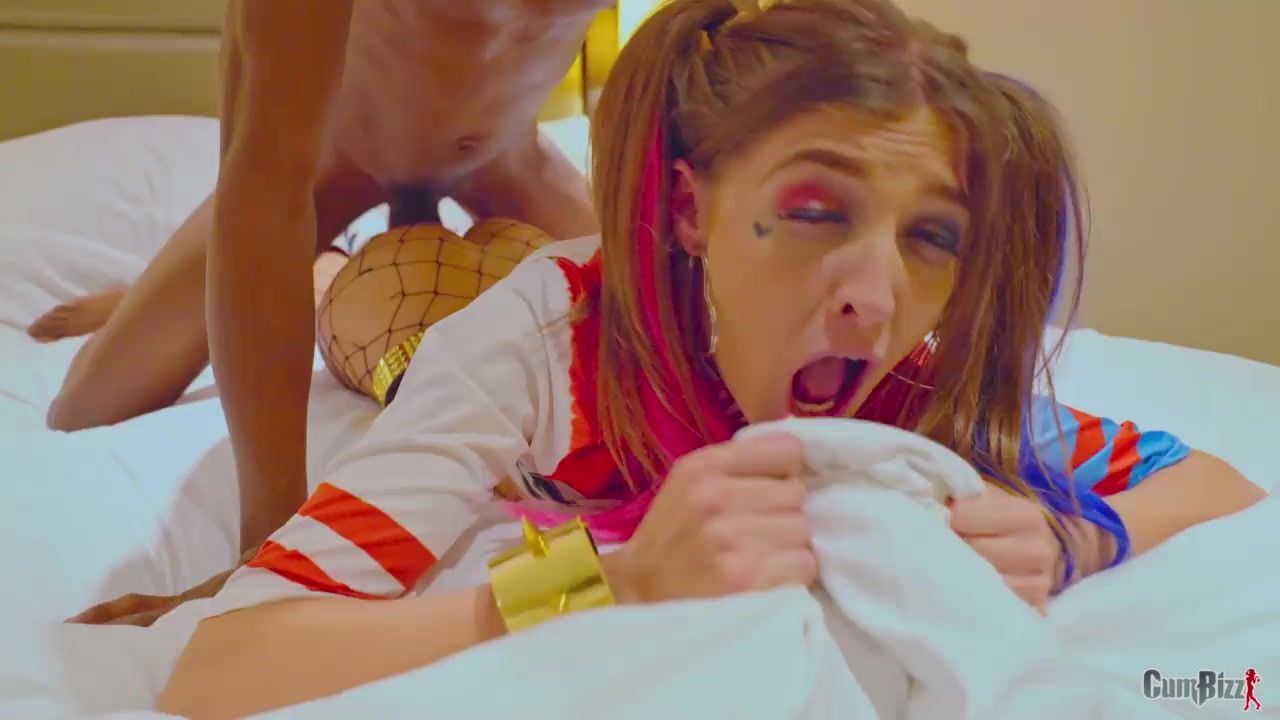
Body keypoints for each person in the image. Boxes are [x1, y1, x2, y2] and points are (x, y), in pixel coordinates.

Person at [157, 0, 1266, 717]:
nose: (875, 295)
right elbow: (223, 665)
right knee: (379, 315)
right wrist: (604, 583)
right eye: (816, 211)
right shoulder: (543, 348)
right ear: (689, 210)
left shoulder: (909, 378)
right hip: (433, 332)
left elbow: (1213, 481)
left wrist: (1072, 537)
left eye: (932, 235)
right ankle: (328, 274)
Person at [33, 0, 606, 610]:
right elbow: (264, 182)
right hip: (330, 167)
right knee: (86, 404)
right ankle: (324, 272)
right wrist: (267, 545)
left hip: (506, 156)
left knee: (647, 342)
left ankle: (341, 272)